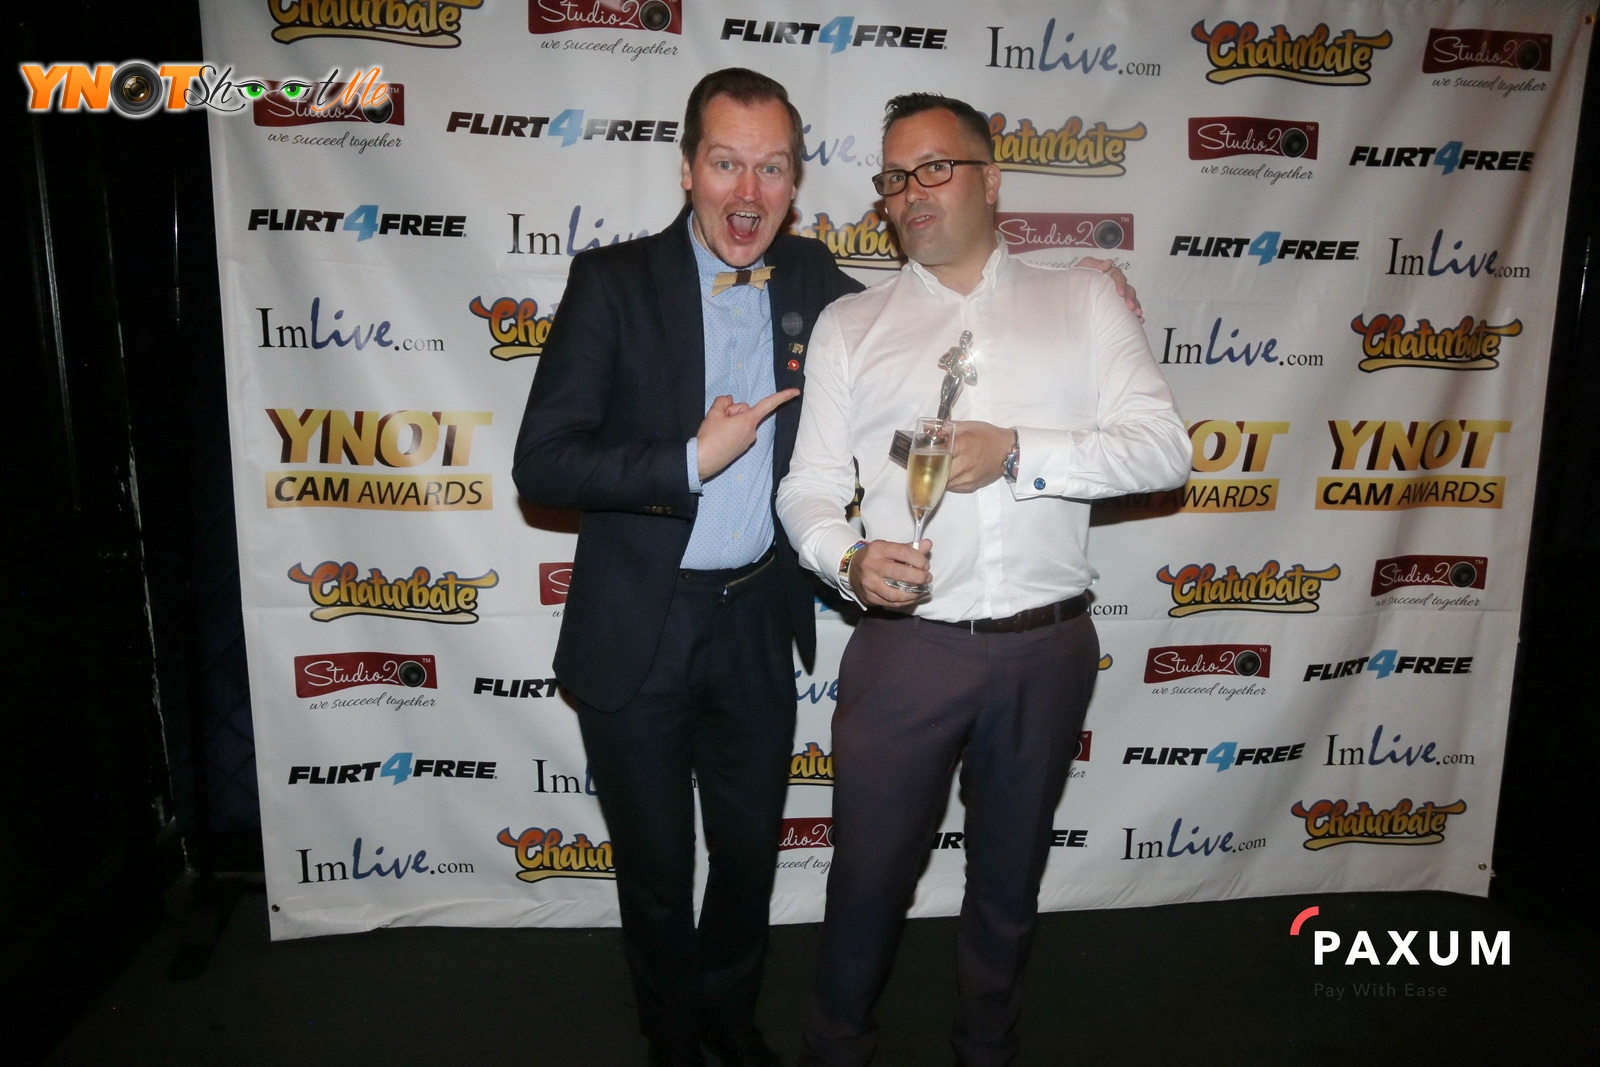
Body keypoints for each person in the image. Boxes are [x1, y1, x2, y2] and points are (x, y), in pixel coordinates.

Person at [775, 93, 1191, 1066]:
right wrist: (845, 558)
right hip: (905, 650)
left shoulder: (1081, 299)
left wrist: (1015, 451)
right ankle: (834, 1045)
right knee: (866, 881)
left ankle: (988, 1047)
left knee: (1008, 885)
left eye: (934, 167)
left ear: (991, 178)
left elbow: (1162, 450)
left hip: (1048, 647)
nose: (910, 192)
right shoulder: (851, 324)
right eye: (894, 177)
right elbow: (807, 487)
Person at [512, 68, 861, 1067]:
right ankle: (670, 1034)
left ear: (795, 182)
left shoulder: (814, 279)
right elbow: (543, 462)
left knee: (747, 856)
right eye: (725, 163)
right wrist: (687, 460)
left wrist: (1069, 288)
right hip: (641, 623)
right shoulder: (612, 282)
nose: (747, 193)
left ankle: (729, 1017)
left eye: (771, 168)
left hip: (756, 619)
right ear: (685, 169)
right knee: (658, 867)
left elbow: (926, 332)